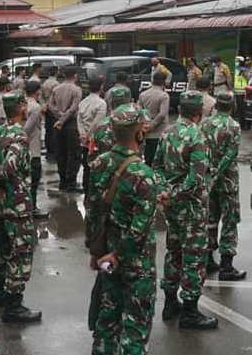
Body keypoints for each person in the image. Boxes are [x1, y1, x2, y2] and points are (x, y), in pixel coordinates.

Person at [87, 104, 159, 355]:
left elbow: (93, 211)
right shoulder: (143, 174)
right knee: (135, 328)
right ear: (139, 132)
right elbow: (140, 229)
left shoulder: (98, 164)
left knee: (107, 320)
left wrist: (97, 252)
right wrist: (118, 255)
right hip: (135, 264)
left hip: (106, 256)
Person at [154, 91, 218, 330]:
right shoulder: (197, 136)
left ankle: (170, 303)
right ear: (197, 113)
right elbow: (197, 178)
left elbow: (156, 166)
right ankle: (190, 312)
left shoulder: (167, 132)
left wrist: (165, 191)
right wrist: (178, 193)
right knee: (193, 257)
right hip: (191, 207)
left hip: (171, 206)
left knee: (173, 252)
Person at [0, 93, 42, 323]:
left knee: (2, 248)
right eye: (25, 105)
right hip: (17, 204)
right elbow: (10, 167)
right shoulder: (19, 135)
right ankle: (14, 305)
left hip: (1, 205)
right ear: (21, 107)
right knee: (22, 252)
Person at [200, 92, 246, 281]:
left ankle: (209, 259)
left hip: (208, 179)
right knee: (229, 221)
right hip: (227, 181)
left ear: (216, 105)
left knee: (210, 220)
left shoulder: (205, 123)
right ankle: (226, 266)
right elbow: (231, 153)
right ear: (232, 106)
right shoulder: (233, 126)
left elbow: (202, 149)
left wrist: (211, 174)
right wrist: (219, 172)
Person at [49, 66, 83, 192]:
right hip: (71, 124)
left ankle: (62, 181)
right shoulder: (77, 89)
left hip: (57, 124)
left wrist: (59, 116)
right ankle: (71, 183)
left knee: (60, 152)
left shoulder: (56, 88)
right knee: (73, 153)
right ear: (75, 76)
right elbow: (74, 108)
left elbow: (50, 105)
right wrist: (63, 118)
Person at [77, 78, 107, 194]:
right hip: (96, 141)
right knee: (98, 167)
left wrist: (82, 135)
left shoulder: (83, 102)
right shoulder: (101, 103)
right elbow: (97, 124)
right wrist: (88, 135)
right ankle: (94, 192)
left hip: (84, 141)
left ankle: (86, 191)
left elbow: (79, 120)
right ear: (101, 88)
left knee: (86, 167)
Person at [90, 88, 132, 164]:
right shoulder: (133, 125)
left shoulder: (101, 124)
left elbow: (92, 153)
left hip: (103, 170)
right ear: (128, 103)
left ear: (111, 103)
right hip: (125, 170)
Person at [24, 81, 46, 215]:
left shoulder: (21, 103)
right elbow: (28, 128)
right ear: (37, 91)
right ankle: (32, 207)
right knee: (34, 180)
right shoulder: (36, 107)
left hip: (23, 148)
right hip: (32, 148)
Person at [138, 72, 169, 166]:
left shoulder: (143, 94)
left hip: (145, 132)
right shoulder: (164, 96)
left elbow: (139, 111)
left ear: (152, 81)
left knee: (147, 158)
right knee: (158, 161)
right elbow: (162, 114)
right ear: (164, 82)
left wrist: (145, 126)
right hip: (159, 132)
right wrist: (151, 126)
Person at [41, 66, 60, 160]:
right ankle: (53, 152)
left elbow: (42, 96)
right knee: (53, 131)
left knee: (48, 130)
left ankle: (49, 150)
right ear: (56, 72)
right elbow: (56, 98)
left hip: (46, 107)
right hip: (53, 108)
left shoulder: (45, 83)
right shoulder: (56, 83)